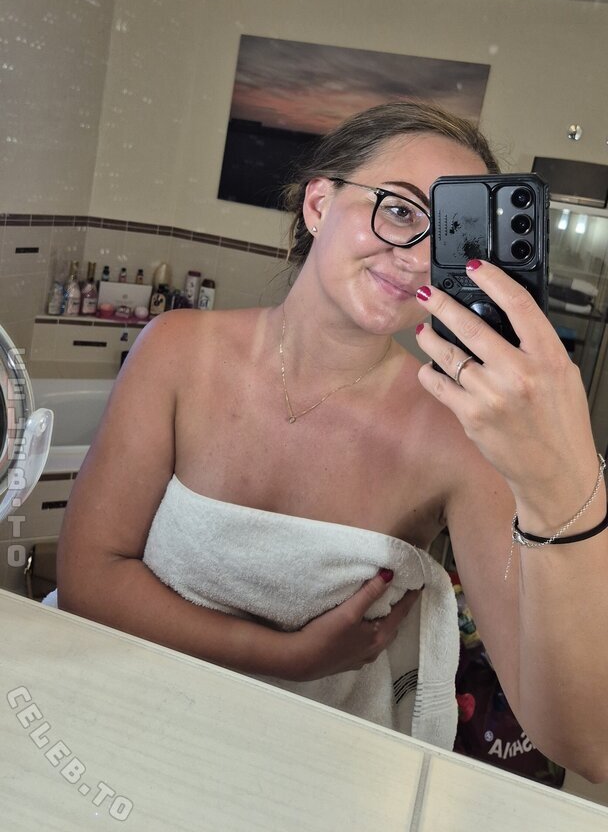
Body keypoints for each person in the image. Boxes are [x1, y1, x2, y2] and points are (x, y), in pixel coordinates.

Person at [55, 101, 607, 781]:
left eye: (451, 236)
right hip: (116, 738)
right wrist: (288, 656)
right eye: (399, 210)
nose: (418, 257)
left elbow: (587, 743)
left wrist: (560, 476)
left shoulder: (458, 434)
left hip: (310, 783)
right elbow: (87, 580)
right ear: (319, 204)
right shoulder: (177, 352)